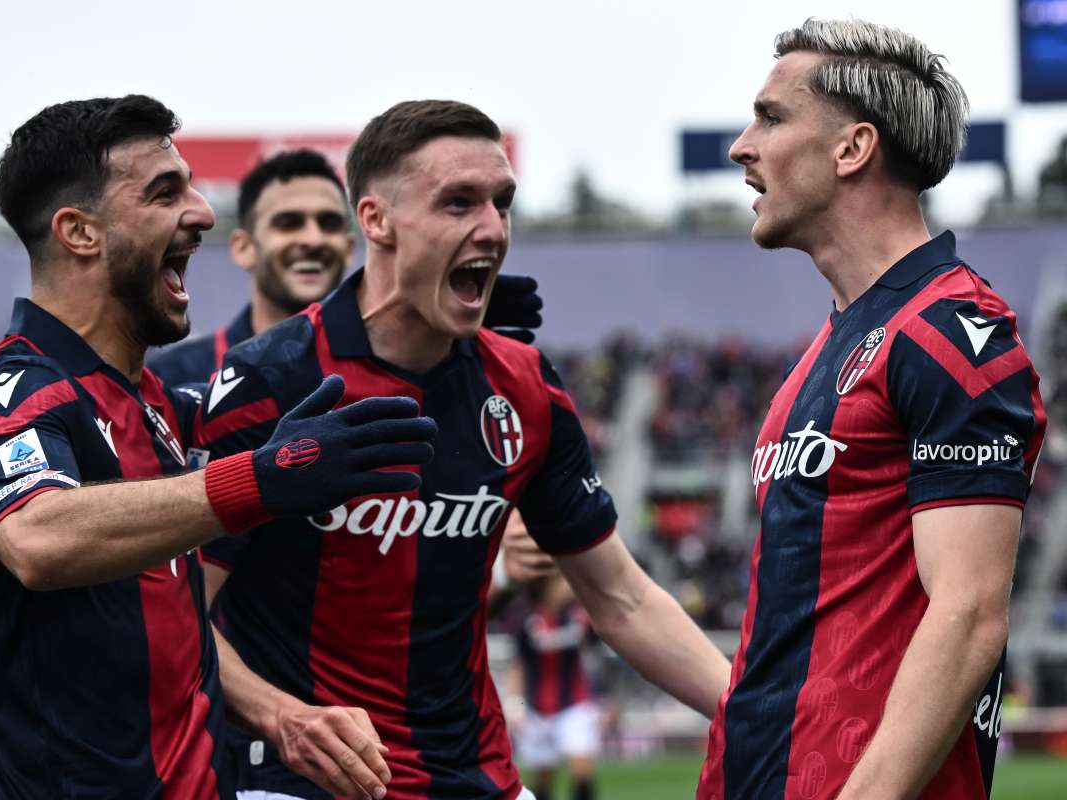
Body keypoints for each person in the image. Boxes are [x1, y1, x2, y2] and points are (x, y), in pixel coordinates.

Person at [194, 98, 731, 800]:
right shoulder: (271, 380)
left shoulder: (527, 386)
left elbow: (622, 599)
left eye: (502, 203)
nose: (493, 228)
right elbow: (180, 609)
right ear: (376, 220)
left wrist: (754, 711)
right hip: (303, 782)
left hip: (478, 779)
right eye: (458, 202)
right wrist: (281, 716)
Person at [0, 95, 436, 798]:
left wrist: (419, 312)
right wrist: (258, 480)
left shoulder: (159, 406)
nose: (201, 212)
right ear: (79, 232)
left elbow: (278, 371)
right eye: (165, 193)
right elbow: (36, 537)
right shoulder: (13, 392)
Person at [697, 19, 1048, 800]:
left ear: (853, 149)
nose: (742, 147)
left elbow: (969, 613)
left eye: (771, 117)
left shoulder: (952, 332)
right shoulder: (823, 352)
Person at [149, 148, 543, 387]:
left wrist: (444, 334)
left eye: (329, 223)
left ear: (351, 246)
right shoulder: (178, 378)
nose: (313, 239)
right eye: (288, 223)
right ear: (244, 248)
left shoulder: (421, 364)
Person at [509, 570, 602, 800]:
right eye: (560, 582)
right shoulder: (528, 623)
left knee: (581, 769)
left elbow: (600, 639)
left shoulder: (579, 617)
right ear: (546, 587)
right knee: (543, 778)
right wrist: (515, 705)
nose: (566, 586)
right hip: (538, 710)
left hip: (575, 704)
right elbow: (519, 666)